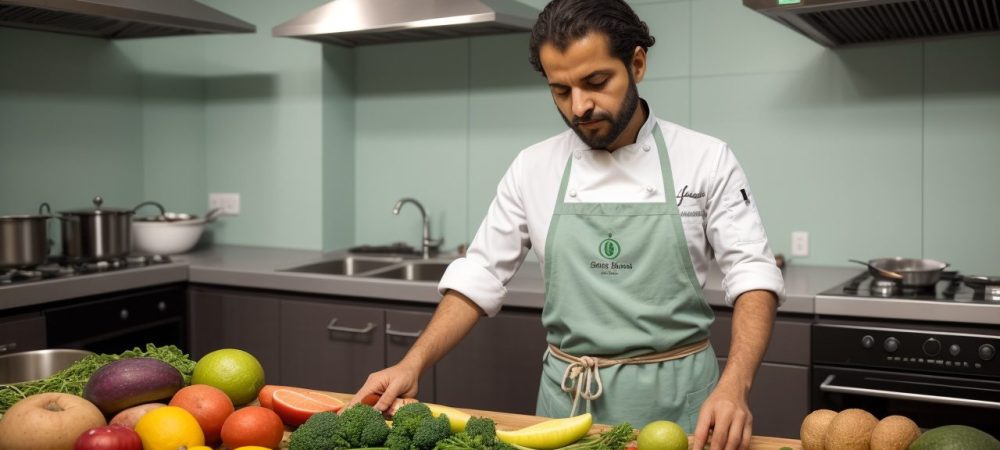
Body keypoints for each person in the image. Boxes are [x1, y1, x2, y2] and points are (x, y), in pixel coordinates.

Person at [351, 1, 784, 449]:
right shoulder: (532, 167)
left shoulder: (706, 158)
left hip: (683, 408)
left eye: (596, 82)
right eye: (561, 90)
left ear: (636, 63)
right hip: (566, 405)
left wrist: (735, 386)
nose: (580, 106)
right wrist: (412, 363)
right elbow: (479, 275)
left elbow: (752, 273)